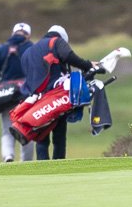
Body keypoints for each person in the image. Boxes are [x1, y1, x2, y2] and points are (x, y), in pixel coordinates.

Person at [21, 23, 94, 161]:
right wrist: (88, 65)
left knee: (41, 137)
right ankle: (59, 165)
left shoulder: (28, 52)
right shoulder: (57, 42)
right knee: (59, 135)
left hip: (36, 100)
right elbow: (68, 56)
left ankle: (43, 170)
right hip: (56, 96)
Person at [0, 21, 34, 163]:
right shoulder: (32, 48)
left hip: (6, 96)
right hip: (27, 96)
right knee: (27, 128)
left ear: (13, 33)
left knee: (7, 130)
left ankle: (8, 156)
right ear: (28, 35)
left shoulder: (1, 49)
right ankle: (26, 162)